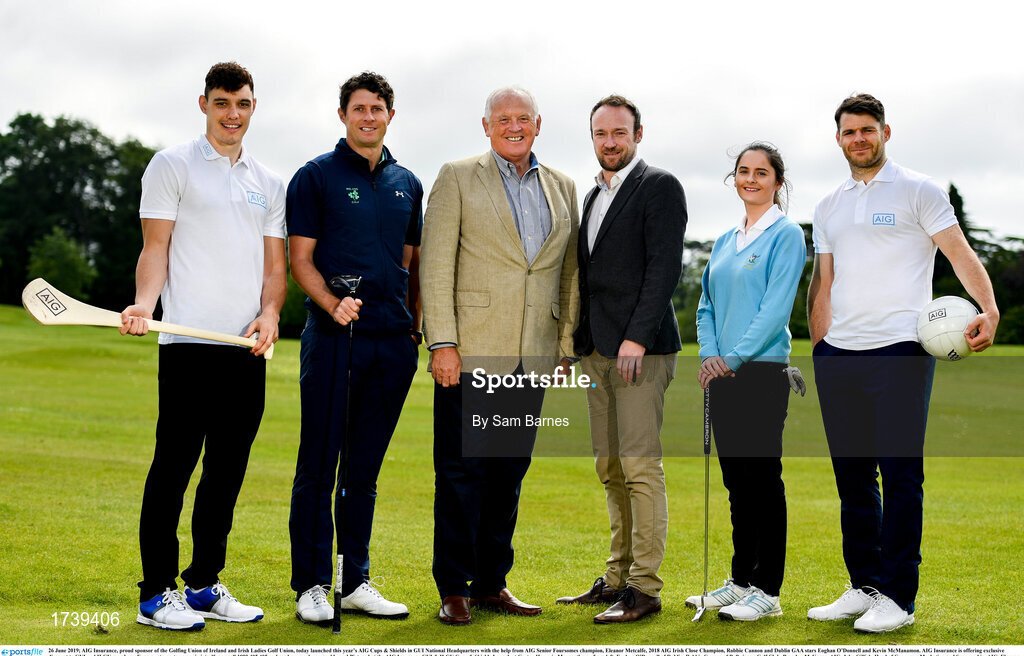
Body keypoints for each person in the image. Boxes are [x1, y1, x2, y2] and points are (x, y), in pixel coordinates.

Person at [806, 93, 999, 633]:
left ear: (885, 133)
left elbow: (959, 252)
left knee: (900, 476)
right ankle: (864, 585)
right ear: (838, 139)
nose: (859, 139)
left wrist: (988, 308)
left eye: (868, 129)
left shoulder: (919, 189)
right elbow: (823, 280)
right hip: (840, 355)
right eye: (849, 132)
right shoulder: (828, 204)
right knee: (852, 479)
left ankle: (897, 597)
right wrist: (820, 347)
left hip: (901, 351)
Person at [120, 61, 286, 631]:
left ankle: (202, 584)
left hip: (245, 350)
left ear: (253, 107)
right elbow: (155, 249)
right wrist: (145, 304)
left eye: (241, 103)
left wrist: (270, 313)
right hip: (187, 344)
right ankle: (155, 593)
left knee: (226, 473)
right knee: (173, 469)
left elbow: (275, 269)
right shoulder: (171, 165)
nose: (232, 114)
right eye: (222, 103)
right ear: (204, 104)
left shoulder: (270, 183)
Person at [420, 85, 579, 626]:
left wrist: (564, 347)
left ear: (539, 124)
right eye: (503, 118)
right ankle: (454, 586)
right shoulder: (457, 176)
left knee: (508, 474)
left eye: (523, 118)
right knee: (461, 473)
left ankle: (491, 583)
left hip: (531, 359)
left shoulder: (563, 186)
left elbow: (568, 274)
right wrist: (442, 342)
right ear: (486, 125)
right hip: (470, 354)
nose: (514, 126)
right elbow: (435, 266)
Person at [286, 71, 422, 624]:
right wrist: (330, 302)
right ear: (343, 114)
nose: (369, 116)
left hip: (393, 343)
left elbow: (410, 264)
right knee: (319, 466)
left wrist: (414, 328)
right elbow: (300, 260)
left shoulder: (408, 183)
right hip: (333, 338)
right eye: (359, 108)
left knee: (363, 472)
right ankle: (311, 585)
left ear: (390, 114)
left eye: (377, 108)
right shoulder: (315, 176)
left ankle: (353, 580)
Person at [555, 95, 686, 624]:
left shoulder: (660, 186)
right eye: (601, 133)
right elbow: (587, 280)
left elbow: (664, 268)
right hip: (596, 353)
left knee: (639, 468)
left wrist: (636, 337)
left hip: (641, 354)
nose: (610, 142)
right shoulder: (592, 196)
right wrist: (574, 344)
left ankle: (644, 589)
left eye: (619, 132)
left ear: (637, 134)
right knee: (609, 467)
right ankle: (616, 577)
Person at [685, 142, 806, 621]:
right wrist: (711, 356)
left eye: (761, 172)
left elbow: (775, 309)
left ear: (777, 181)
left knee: (762, 481)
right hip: (724, 372)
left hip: (761, 373)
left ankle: (767, 591)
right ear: (733, 178)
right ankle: (740, 581)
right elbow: (706, 306)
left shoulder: (787, 234)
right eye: (743, 171)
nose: (751, 179)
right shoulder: (724, 240)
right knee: (736, 483)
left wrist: (732, 358)